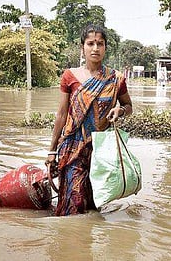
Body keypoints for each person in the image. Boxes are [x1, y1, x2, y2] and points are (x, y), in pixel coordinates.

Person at [45, 24, 133, 216]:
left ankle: (88, 242)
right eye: (90, 43)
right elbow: (61, 115)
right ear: (82, 48)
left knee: (94, 204)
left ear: (105, 48)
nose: (95, 48)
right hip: (73, 149)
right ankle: (69, 241)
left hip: (101, 152)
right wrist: (52, 151)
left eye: (100, 44)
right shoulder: (70, 76)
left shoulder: (116, 78)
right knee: (72, 203)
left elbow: (129, 106)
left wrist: (120, 110)